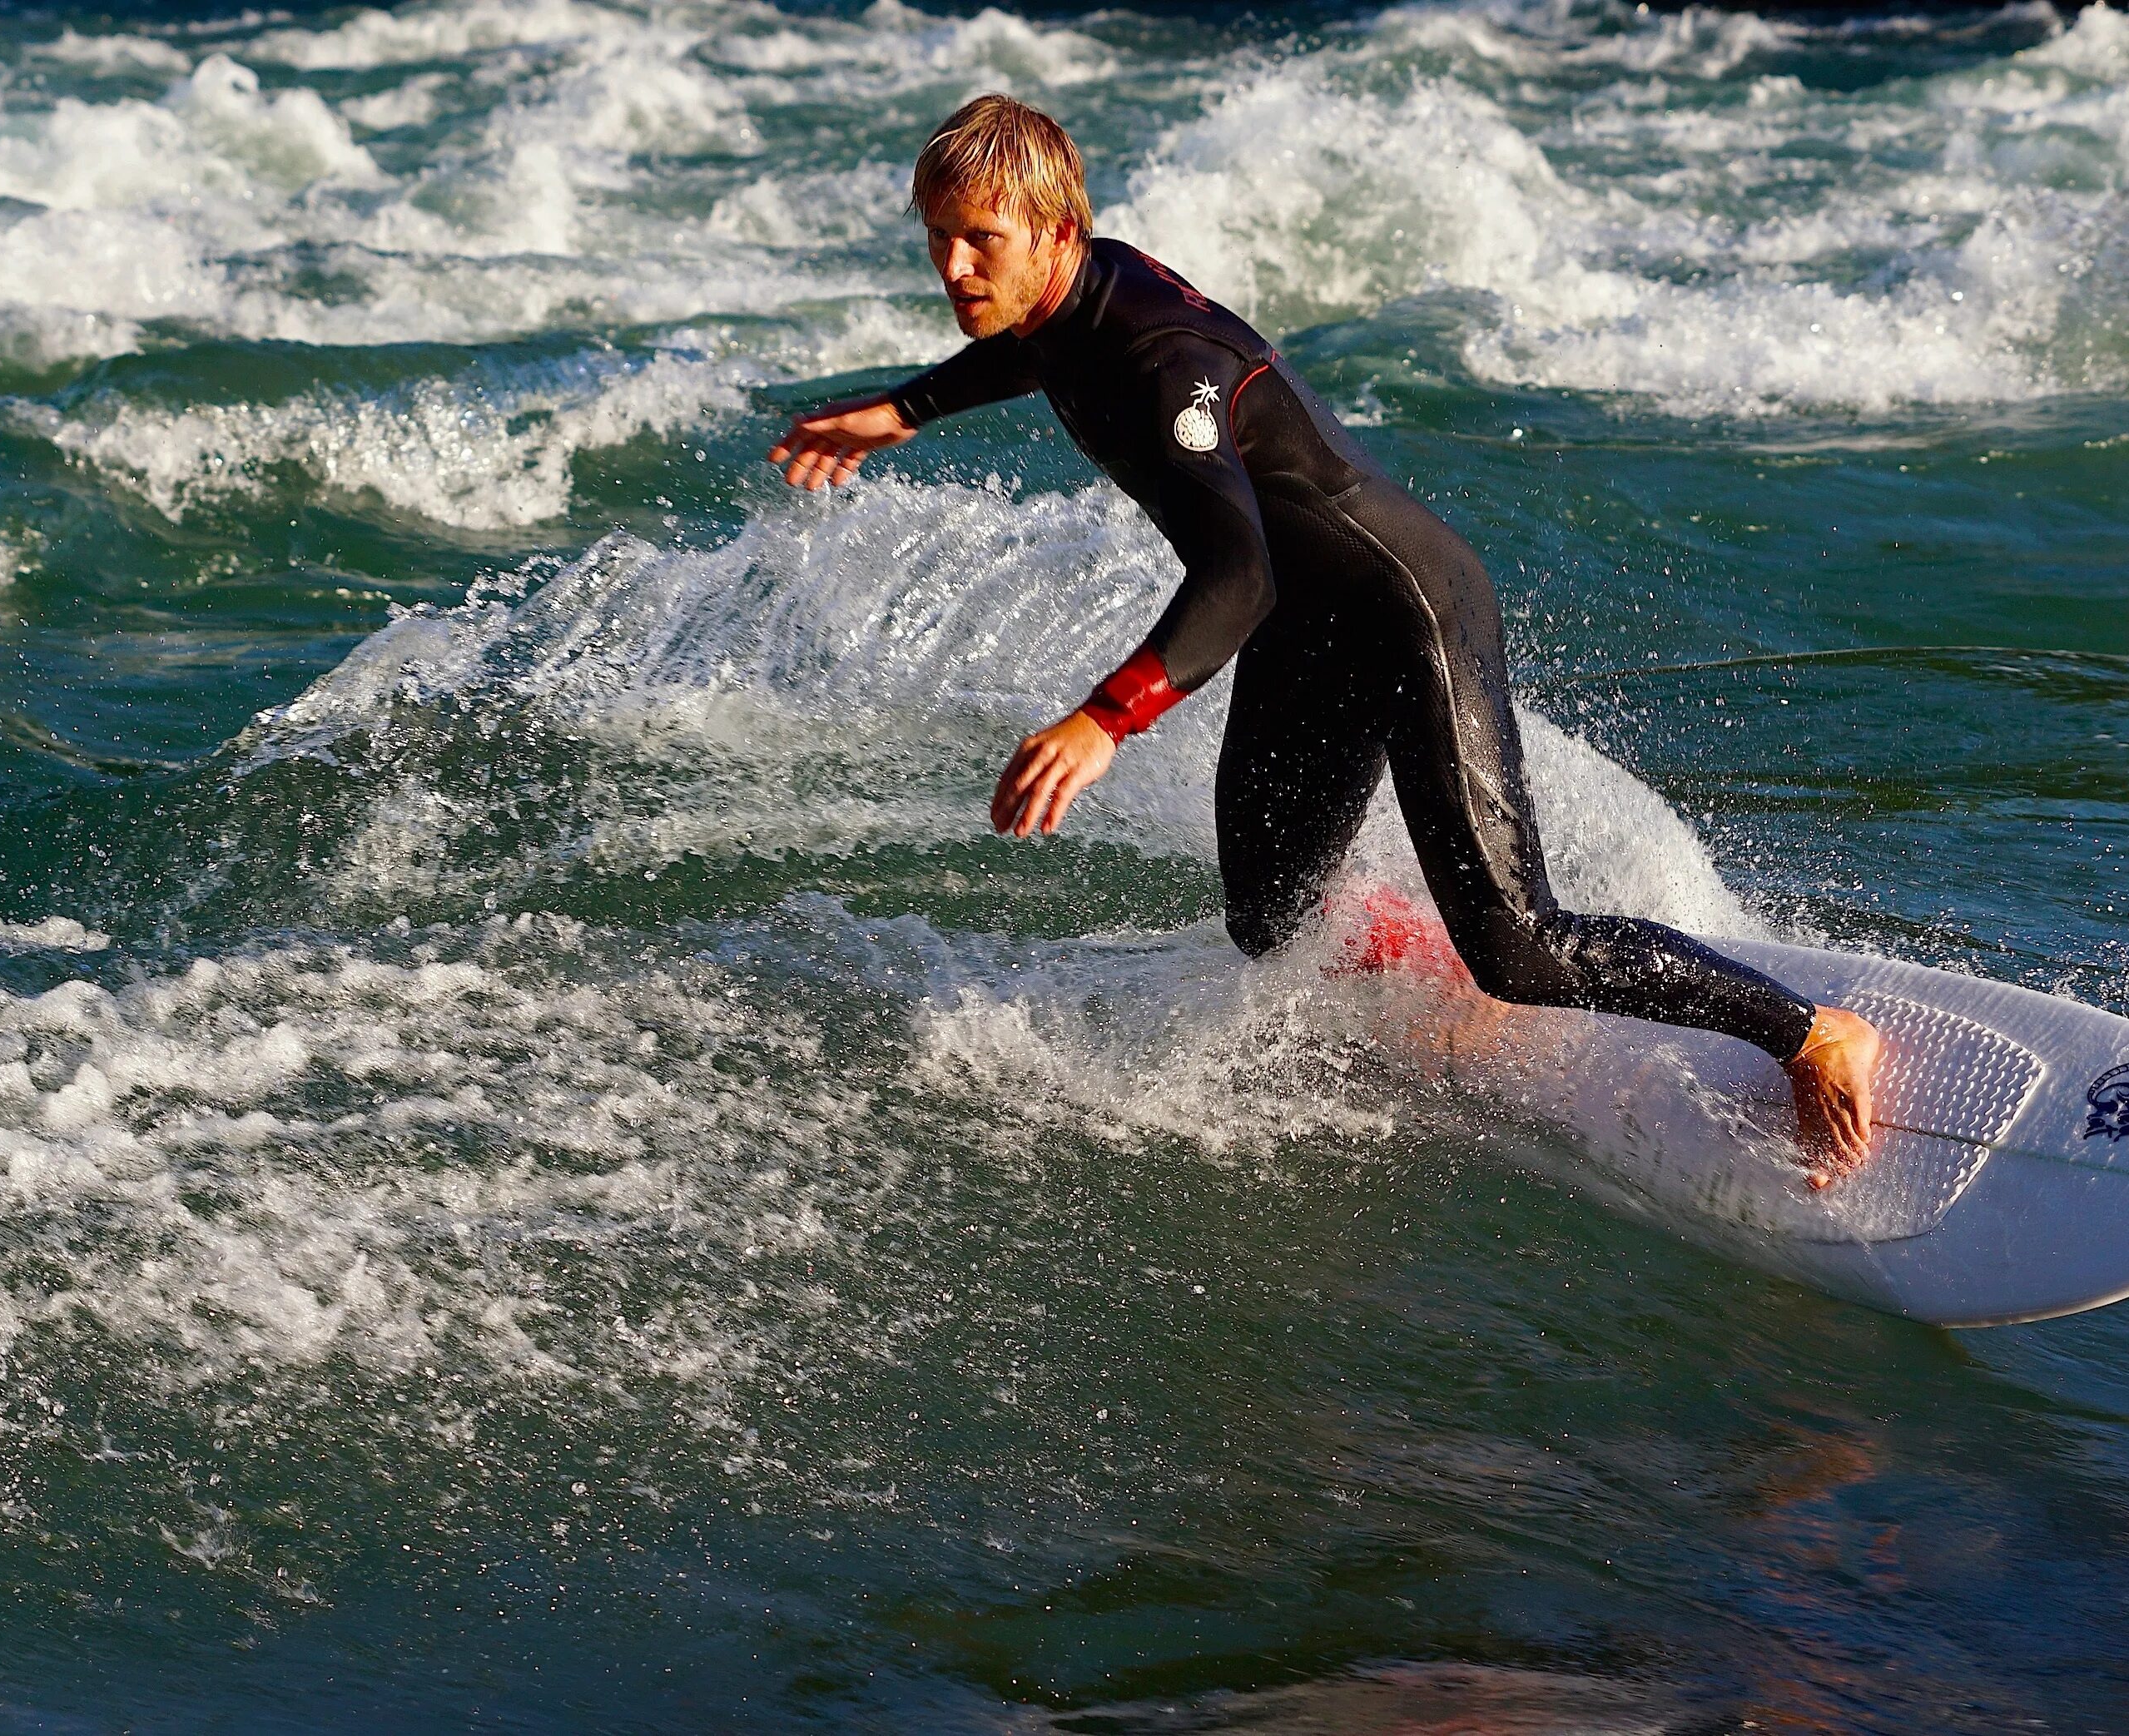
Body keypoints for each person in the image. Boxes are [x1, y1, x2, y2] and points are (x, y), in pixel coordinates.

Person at [767, 96, 1882, 1179]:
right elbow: (1036, 344)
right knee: (1269, 916)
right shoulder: (1072, 294)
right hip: (1313, 627)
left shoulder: (1164, 371)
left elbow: (1238, 572)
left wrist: (1107, 719)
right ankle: (1417, 950)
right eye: (938, 239)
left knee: (1519, 947)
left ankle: (1810, 1032)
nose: (955, 269)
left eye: (980, 241)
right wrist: (902, 411)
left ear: (1058, 233)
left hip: (1411, 615)